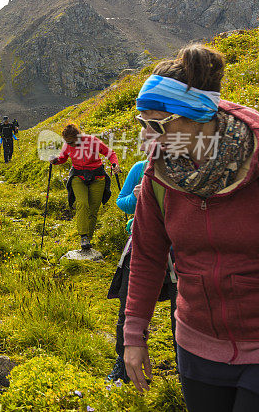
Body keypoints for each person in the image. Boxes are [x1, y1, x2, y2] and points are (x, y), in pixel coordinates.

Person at [124, 44, 259, 412]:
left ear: (198, 116)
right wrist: (134, 334)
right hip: (196, 344)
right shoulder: (159, 173)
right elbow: (147, 254)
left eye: (158, 125)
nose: (149, 137)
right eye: (143, 125)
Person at [106, 129, 177, 382]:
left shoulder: (182, 170)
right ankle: (122, 363)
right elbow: (121, 201)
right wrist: (136, 198)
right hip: (141, 241)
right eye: (146, 142)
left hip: (177, 248)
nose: (150, 146)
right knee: (128, 302)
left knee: (181, 309)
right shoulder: (139, 168)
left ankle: (185, 364)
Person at [50, 123, 121, 250]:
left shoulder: (92, 141)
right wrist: (56, 160)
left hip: (97, 177)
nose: (69, 145)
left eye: (71, 142)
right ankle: (83, 236)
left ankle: (88, 238)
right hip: (78, 176)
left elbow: (110, 153)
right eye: (67, 142)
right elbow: (63, 158)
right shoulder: (67, 145)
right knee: (82, 203)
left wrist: (115, 164)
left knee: (93, 209)